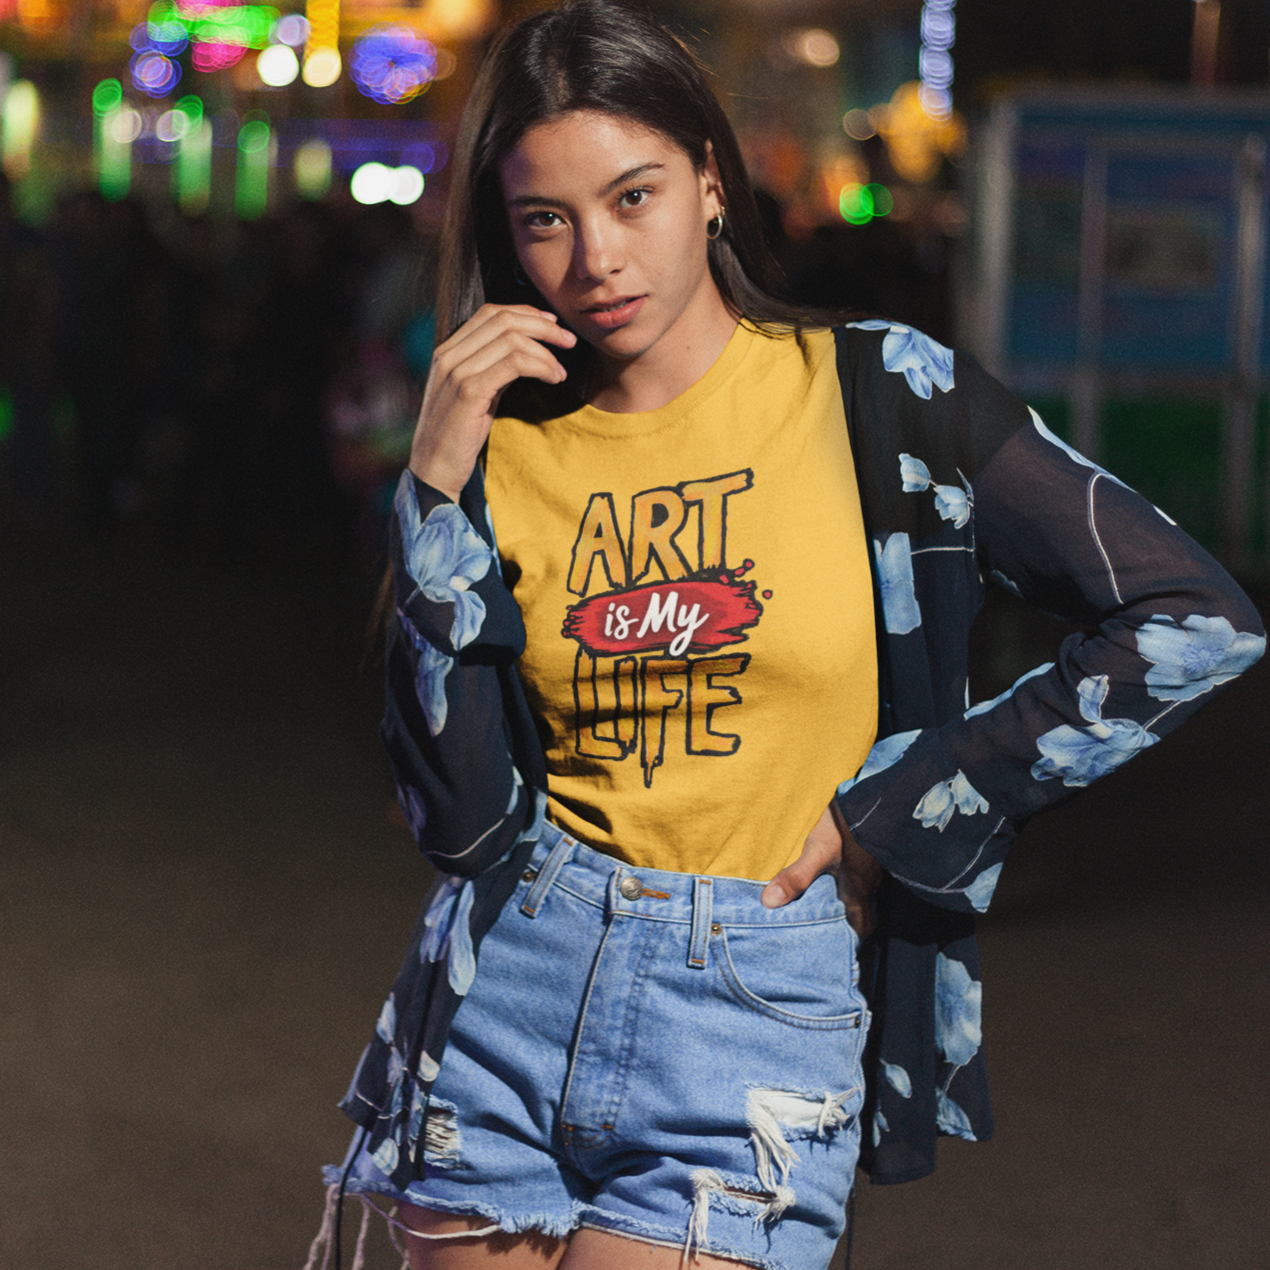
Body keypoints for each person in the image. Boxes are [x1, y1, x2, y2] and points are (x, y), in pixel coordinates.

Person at [306, 3, 1265, 1268]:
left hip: (752, 1004)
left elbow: (1192, 618)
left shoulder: (882, 397)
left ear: (710, 179)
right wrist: (431, 487)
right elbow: (458, 817)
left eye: (633, 195)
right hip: (504, 987)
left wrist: (917, 799)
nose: (596, 256)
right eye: (546, 218)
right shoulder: (496, 448)